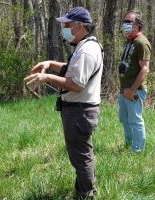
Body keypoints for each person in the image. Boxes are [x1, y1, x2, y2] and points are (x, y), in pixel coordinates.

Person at [24, 7, 103, 200]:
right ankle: (85, 190)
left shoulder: (86, 51)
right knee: (81, 153)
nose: (63, 28)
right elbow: (71, 69)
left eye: (67, 24)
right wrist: (50, 63)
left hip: (79, 112)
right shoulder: (84, 47)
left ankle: (85, 194)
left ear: (80, 26)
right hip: (78, 111)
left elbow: (76, 84)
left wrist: (46, 77)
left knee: (81, 156)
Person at [118, 11, 151, 153]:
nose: (125, 24)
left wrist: (132, 90)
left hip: (134, 90)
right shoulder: (129, 41)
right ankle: (128, 144)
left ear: (138, 25)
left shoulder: (141, 42)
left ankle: (137, 151)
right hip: (124, 89)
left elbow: (144, 69)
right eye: (124, 21)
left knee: (135, 120)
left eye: (128, 22)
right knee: (124, 118)